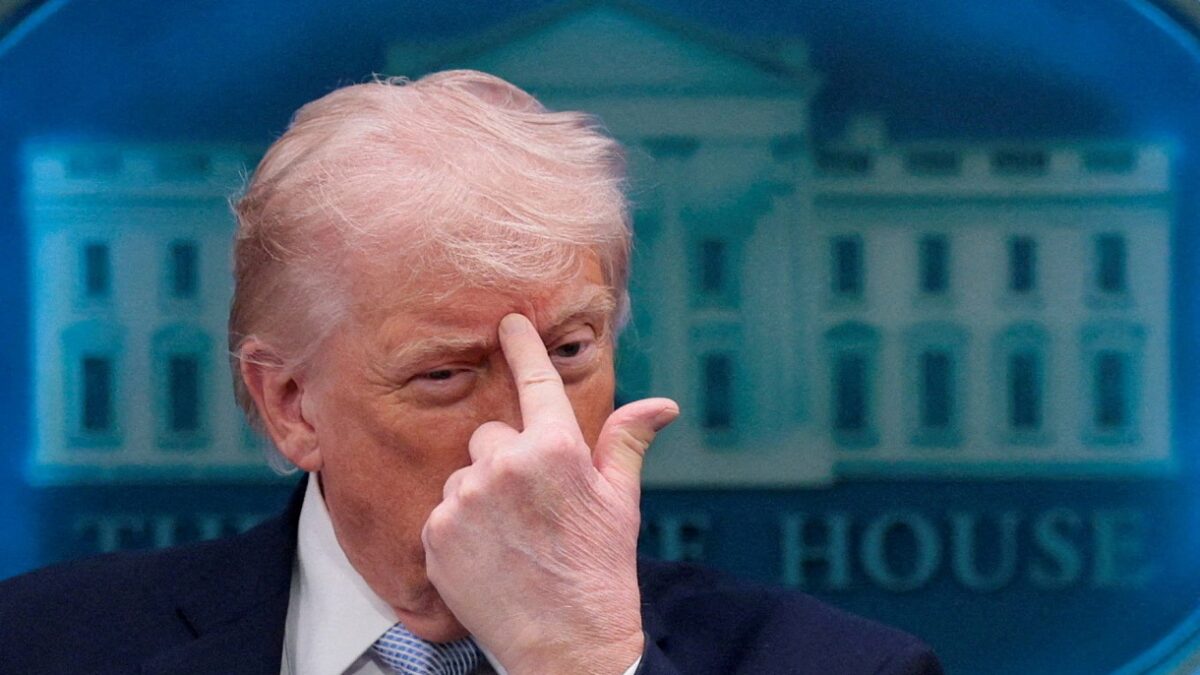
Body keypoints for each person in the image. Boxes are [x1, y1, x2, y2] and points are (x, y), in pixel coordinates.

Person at [0, 70, 942, 675]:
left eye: (570, 352)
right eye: (446, 375)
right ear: (287, 404)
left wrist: (576, 661)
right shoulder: (45, 646)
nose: (528, 437)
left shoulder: (844, 666)